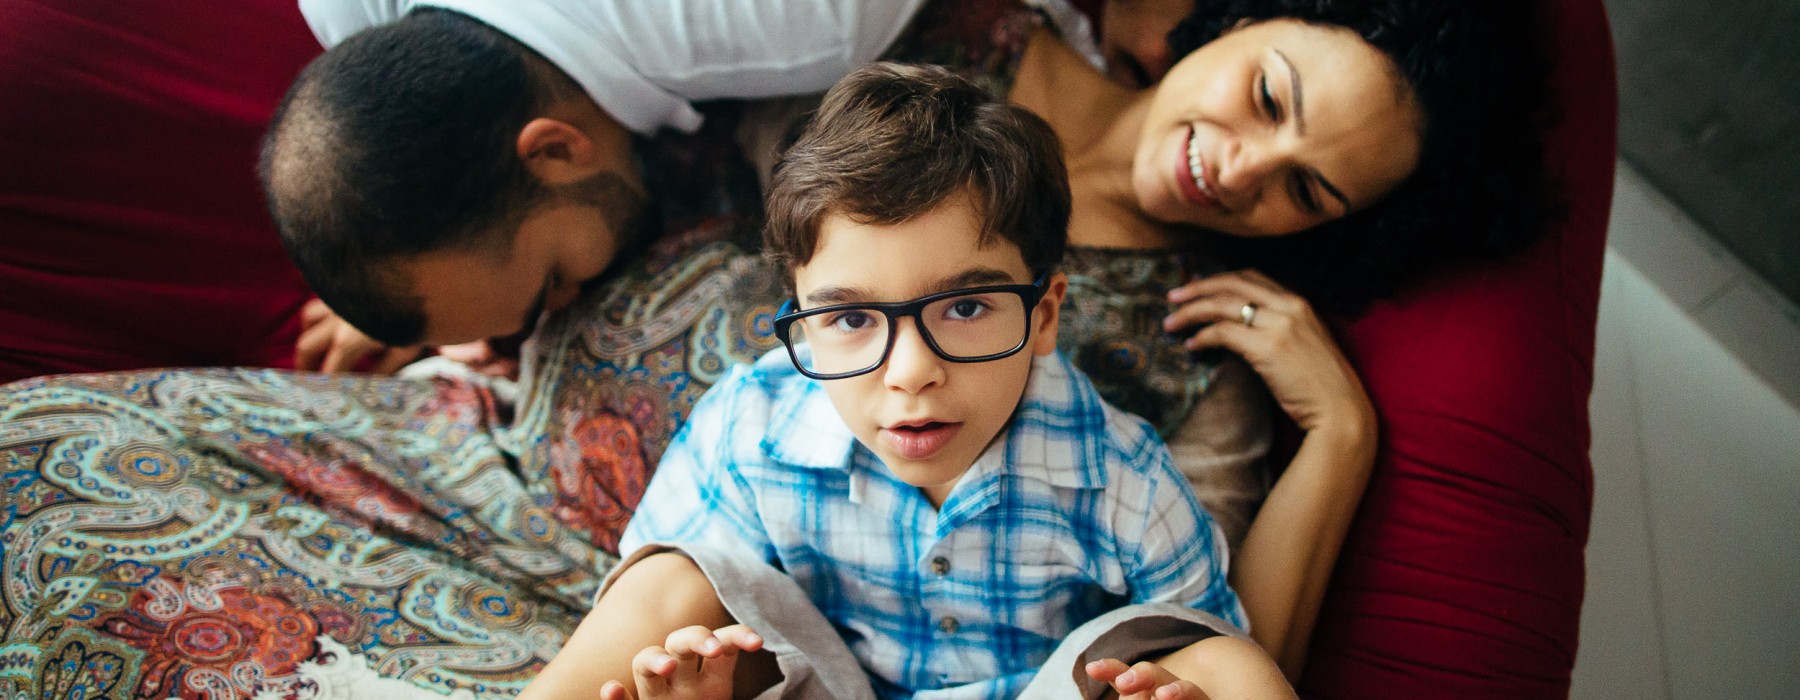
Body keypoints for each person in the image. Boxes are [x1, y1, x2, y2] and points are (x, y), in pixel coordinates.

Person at [521, 63, 1301, 700]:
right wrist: (706, 669)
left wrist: (1177, 686)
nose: (911, 372)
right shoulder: (750, 428)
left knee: (1221, 661)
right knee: (672, 578)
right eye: (851, 320)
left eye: (965, 306)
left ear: (1044, 315)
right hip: (832, 691)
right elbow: (665, 613)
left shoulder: (1121, 477)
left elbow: (1212, 635)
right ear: (803, 319)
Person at [265, 0, 930, 371]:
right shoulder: (346, 9)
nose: (564, 305)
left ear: (554, 148)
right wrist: (438, 302)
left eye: (551, 278)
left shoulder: (814, 23)